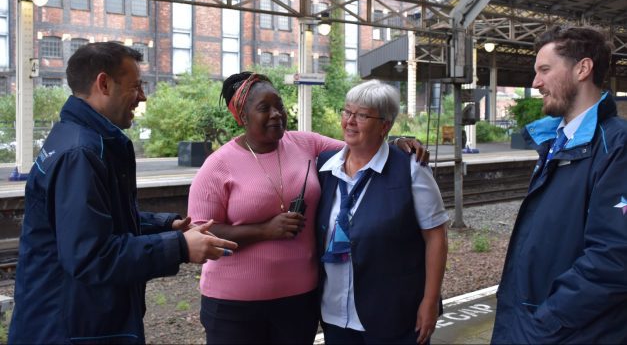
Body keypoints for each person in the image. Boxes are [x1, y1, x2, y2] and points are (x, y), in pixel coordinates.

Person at [8, 42, 237, 344]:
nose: (142, 97)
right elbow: (91, 255)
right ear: (103, 83)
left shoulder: (76, 138)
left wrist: (166, 226)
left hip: (72, 320)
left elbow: (97, 220)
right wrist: (179, 247)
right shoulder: (82, 153)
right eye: (136, 86)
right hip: (72, 329)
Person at [187, 72, 426, 344]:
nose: (277, 114)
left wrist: (396, 141)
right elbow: (200, 234)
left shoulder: (305, 144)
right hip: (234, 306)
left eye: (279, 105)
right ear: (241, 116)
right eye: (264, 108)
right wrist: (264, 231)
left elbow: (362, 147)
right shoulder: (217, 166)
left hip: (299, 302)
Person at [491, 26, 627, 343]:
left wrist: (545, 323)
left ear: (582, 68)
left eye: (545, 70)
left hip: (564, 332)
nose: (536, 83)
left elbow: (614, 258)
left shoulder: (616, 147)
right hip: (530, 323)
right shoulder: (558, 141)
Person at [316, 79, 449, 344]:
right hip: (335, 314)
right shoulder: (325, 167)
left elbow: (436, 237)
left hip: (395, 315)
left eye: (362, 115)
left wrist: (430, 301)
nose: (350, 121)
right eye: (347, 111)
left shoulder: (411, 169)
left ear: (385, 125)